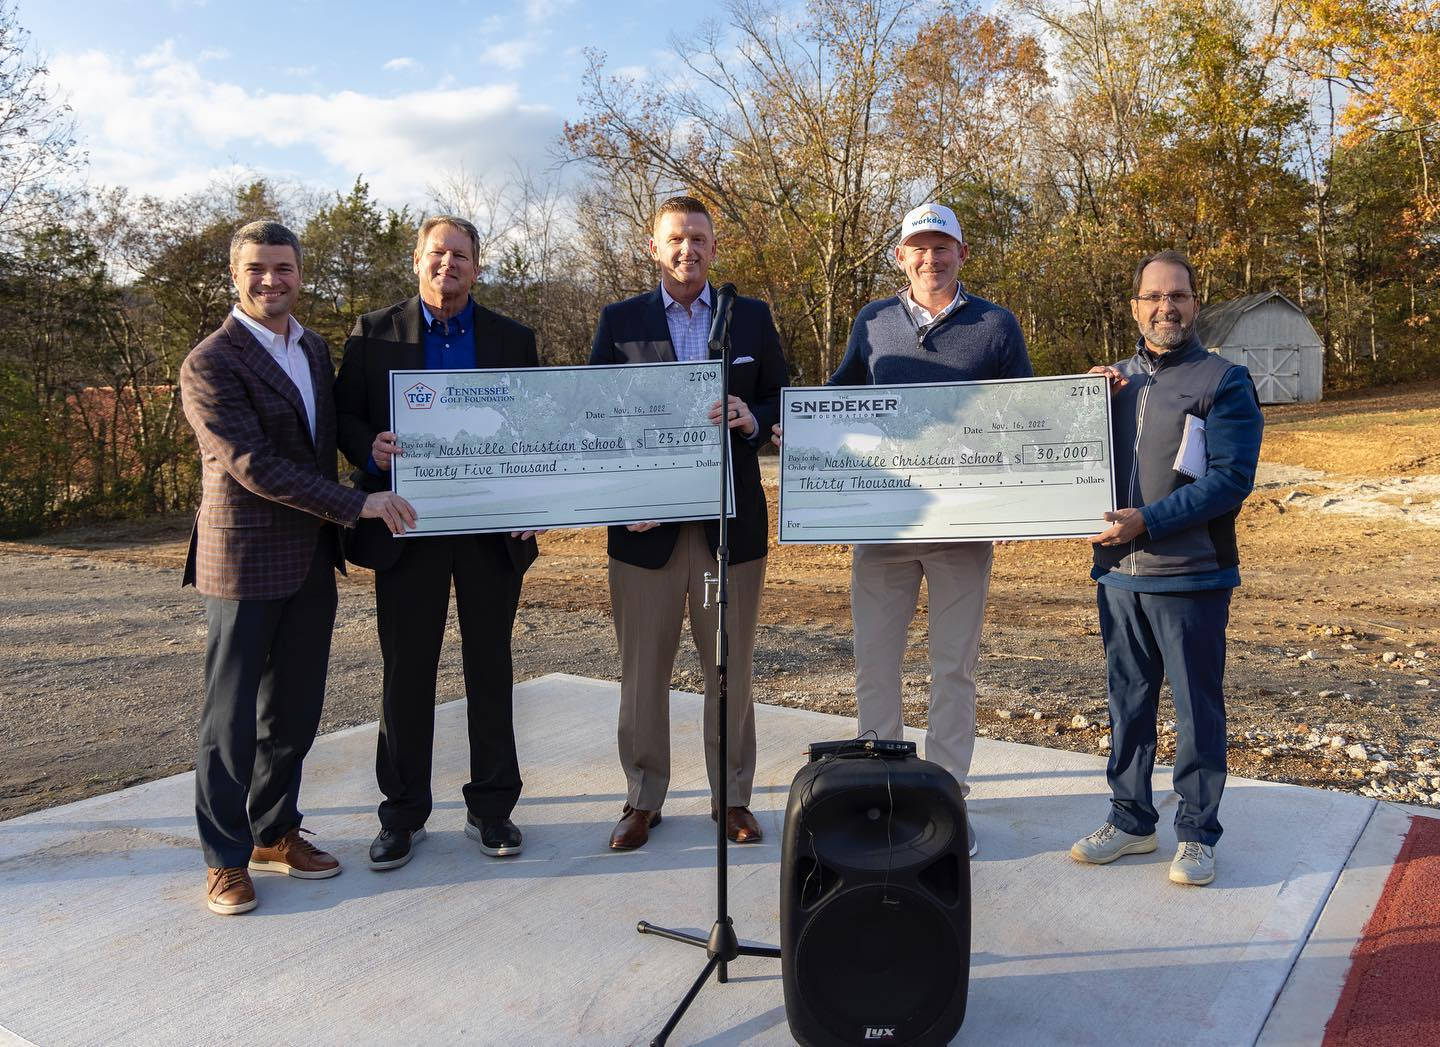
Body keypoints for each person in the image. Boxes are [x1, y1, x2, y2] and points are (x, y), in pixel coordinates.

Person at [775, 202, 1032, 856]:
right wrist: (802, 430)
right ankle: (882, 795)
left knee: (954, 669)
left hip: (962, 529)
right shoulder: (874, 322)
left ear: (962, 254)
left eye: (943, 246)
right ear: (900, 256)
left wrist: (1016, 501)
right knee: (876, 665)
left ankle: (947, 800)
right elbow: (840, 395)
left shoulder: (996, 326)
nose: (931, 257)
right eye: (919, 247)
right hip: (883, 525)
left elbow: (1028, 415)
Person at [181, 220, 417, 915]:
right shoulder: (211, 361)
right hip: (245, 560)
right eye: (257, 269)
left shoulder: (312, 347)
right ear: (234, 273)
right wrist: (357, 502)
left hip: (312, 557)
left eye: (283, 268)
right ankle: (224, 858)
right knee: (228, 720)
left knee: (294, 710)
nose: (271, 281)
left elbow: (320, 441)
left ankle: (273, 829)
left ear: (299, 273)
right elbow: (252, 464)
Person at [334, 216, 540, 870]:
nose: (447, 264)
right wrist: (368, 443)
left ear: (476, 266)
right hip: (407, 525)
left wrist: (535, 499)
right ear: (416, 260)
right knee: (406, 671)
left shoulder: (512, 337)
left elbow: (537, 426)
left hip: (488, 528)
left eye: (460, 255)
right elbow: (343, 413)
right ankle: (402, 813)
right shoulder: (373, 332)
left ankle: (493, 808)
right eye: (436, 253)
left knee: (490, 666)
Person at [589, 195, 787, 850]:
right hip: (646, 534)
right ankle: (643, 798)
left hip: (728, 536)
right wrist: (623, 497)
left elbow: (777, 397)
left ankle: (731, 796)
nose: (688, 249)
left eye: (699, 238)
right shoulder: (619, 322)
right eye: (676, 238)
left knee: (728, 667)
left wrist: (752, 417)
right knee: (644, 671)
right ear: (654, 246)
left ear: (712, 246)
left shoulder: (749, 317)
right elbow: (595, 417)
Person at [1069, 249, 1263, 887]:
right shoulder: (1112, 382)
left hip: (1192, 576)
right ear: (1134, 307)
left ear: (1195, 304)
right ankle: (1130, 822)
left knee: (1196, 707)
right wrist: (1081, 401)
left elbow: (1231, 480)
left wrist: (1146, 521)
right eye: (1153, 297)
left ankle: (1199, 833)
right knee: (1128, 702)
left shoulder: (1222, 381)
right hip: (1119, 574)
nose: (1165, 308)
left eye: (1177, 295)